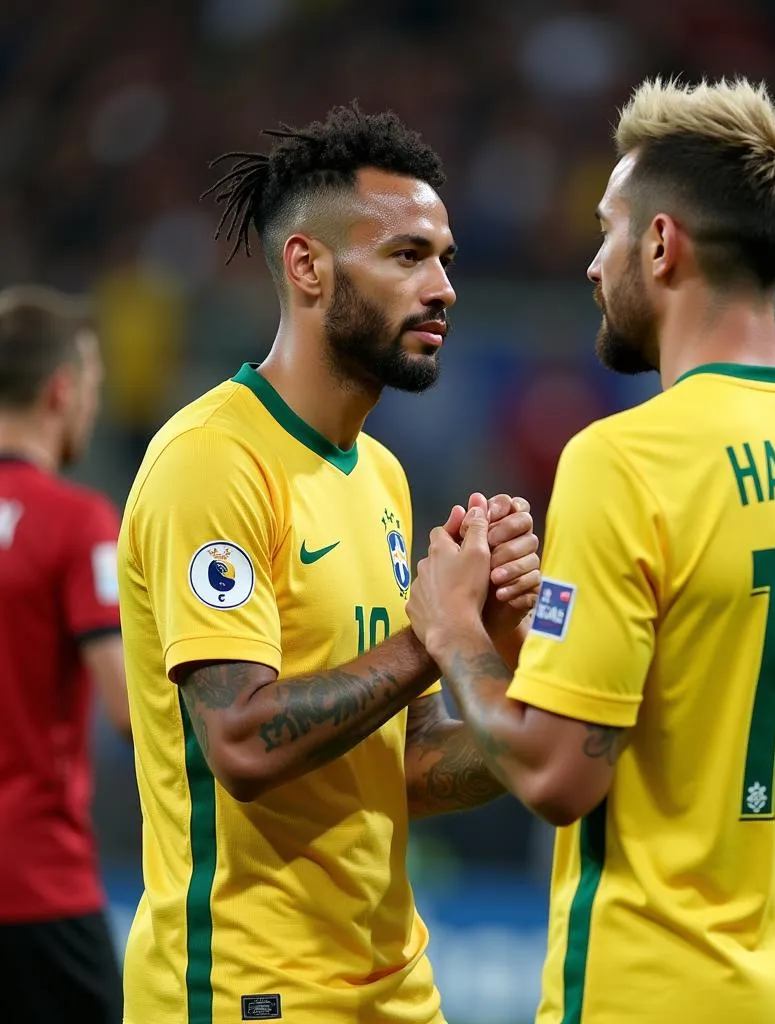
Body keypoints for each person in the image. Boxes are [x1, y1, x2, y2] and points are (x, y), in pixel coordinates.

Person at [406, 77, 775, 1024]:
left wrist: (454, 631)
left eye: (608, 231)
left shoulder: (625, 460)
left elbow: (556, 774)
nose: (594, 265)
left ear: (662, 244)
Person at [117, 104, 540, 1024]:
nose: (443, 288)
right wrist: (432, 639)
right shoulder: (212, 461)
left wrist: (513, 677)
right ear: (307, 266)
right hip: (249, 993)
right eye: (406, 257)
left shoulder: (380, 474)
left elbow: (410, 766)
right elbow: (238, 740)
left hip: (397, 988)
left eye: (446, 260)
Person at [0, 284, 131, 1024]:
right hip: (37, 885)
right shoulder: (76, 523)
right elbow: (126, 709)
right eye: (93, 391)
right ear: (61, 391)